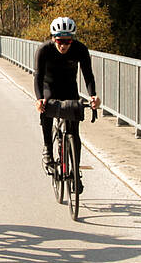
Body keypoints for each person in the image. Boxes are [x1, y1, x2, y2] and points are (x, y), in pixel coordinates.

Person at [35, 16, 99, 192]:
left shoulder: (80, 50)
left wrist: (93, 96)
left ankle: (75, 171)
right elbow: (38, 77)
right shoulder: (44, 50)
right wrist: (39, 99)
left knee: (73, 131)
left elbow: (88, 75)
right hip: (49, 87)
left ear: (73, 39)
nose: (63, 45)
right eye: (60, 41)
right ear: (53, 38)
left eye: (67, 41)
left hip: (70, 88)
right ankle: (48, 148)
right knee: (46, 109)